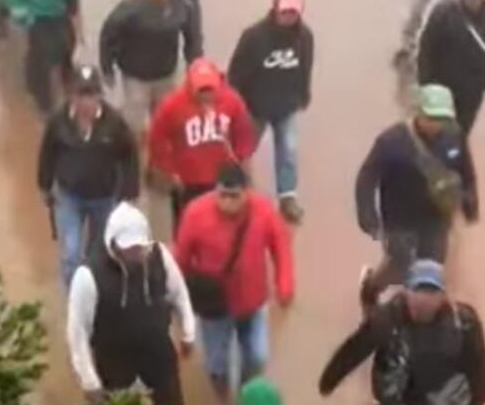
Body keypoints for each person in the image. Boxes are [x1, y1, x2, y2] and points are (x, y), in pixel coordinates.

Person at [175, 164, 294, 401]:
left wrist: (285, 285)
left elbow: (281, 247)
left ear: (246, 193)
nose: (228, 202)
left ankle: (246, 394)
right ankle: (223, 395)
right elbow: (181, 259)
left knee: (258, 356)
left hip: (254, 299)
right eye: (223, 195)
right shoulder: (195, 213)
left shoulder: (263, 210)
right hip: (214, 305)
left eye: (234, 196)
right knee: (216, 363)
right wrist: (180, 304)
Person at [356, 84, 478, 312]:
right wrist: (368, 215)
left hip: (436, 218)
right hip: (399, 219)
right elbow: (367, 177)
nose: (436, 123)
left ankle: (416, 316)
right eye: (431, 117)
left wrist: (470, 202)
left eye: (442, 118)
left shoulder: (455, 137)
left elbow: (466, 171)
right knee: (399, 265)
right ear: (419, 113)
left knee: (430, 271)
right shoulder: (391, 141)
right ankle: (372, 285)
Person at [67, 202, 195, 405]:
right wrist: (90, 382)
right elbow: (78, 333)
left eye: (140, 248)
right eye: (129, 248)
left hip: (158, 359)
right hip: (115, 369)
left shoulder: (160, 256)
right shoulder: (88, 276)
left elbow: (179, 293)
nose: (136, 254)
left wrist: (188, 331)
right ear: (113, 243)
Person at [320, 260, 485, 405]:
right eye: (418, 291)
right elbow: (356, 348)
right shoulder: (387, 319)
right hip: (399, 393)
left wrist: (478, 398)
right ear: (406, 292)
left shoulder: (463, 323)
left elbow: (477, 363)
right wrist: (330, 378)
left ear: (443, 296)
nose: (424, 300)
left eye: (431, 292)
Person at [38, 65, 140, 286]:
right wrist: (44, 186)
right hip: (68, 197)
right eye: (81, 95)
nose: (86, 102)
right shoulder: (59, 121)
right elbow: (47, 153)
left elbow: (130, 156)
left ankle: (93, 297)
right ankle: (76, 304)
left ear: (99, 96)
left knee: (98, 256)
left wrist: (130, 193)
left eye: (91, 95)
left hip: (104, 198)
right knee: (71, 255)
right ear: (72, 96)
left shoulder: (114, 123)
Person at [228, 0, 314, 224]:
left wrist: (304, 93)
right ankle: (238, 191)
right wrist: (235, 104)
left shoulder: (305, 37)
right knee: (242, 150)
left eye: (293, 12)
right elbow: (236, 73)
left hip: (287, 106)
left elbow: (305, 67)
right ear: (275, 9)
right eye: (284, 11)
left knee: (288, 151)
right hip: (254, 106)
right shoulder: (253, 37)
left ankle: (287, 197)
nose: (288, 16)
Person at [100, 0, 203, 140]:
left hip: (166, 74)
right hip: (136, 76)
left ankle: (158, 158)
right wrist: (107, 67)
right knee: (134, 124)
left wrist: (195, 68)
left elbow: (193, 38)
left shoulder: (185, 6)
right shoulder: (132, 7)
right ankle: (130, 155)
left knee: (165, 121)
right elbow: (109, 34)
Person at [148, 58, 257, 228]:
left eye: (210, 89)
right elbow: (157, 138)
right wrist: (169, 170)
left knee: (223, 225)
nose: (206, 94)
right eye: (201, 90)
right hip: (187, 181)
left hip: (221, 178)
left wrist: (241, 159)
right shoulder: (172, 105)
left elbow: (243, 132)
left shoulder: (232, 101)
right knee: (186, 225)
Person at [418, 0, 485, 135]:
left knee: (461, 131)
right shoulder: (444, 13)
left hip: (471, 91)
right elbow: (426, 47)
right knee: (434, 131)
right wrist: (425, 82)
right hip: (442, 87)